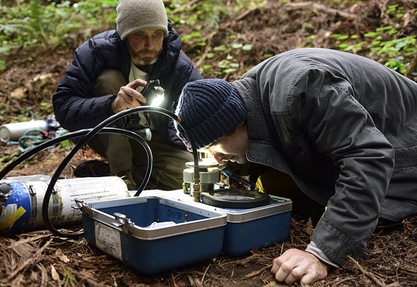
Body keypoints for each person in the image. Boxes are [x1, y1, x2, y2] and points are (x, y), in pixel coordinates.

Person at [174, 48, 417, 285]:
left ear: (236, 122)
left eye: (214, 145)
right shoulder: (248, 96)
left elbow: (369, 156)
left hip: (407, 143)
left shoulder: (302, 88)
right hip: (380, 139)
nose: (215, 158)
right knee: (272, 185)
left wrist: (322, 253)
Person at [53, 0, 202, 190]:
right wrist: (111, 105)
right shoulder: (96, 52)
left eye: (157, 35)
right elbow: (63, 108)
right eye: (140, 35)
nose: (150, 45)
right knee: (109, 79)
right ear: (124, 34)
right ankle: (122, 177)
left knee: (190, 172)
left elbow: (202, 105)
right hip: (107, 134)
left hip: (155, 137)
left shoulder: (176, 63)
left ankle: (107, 179)